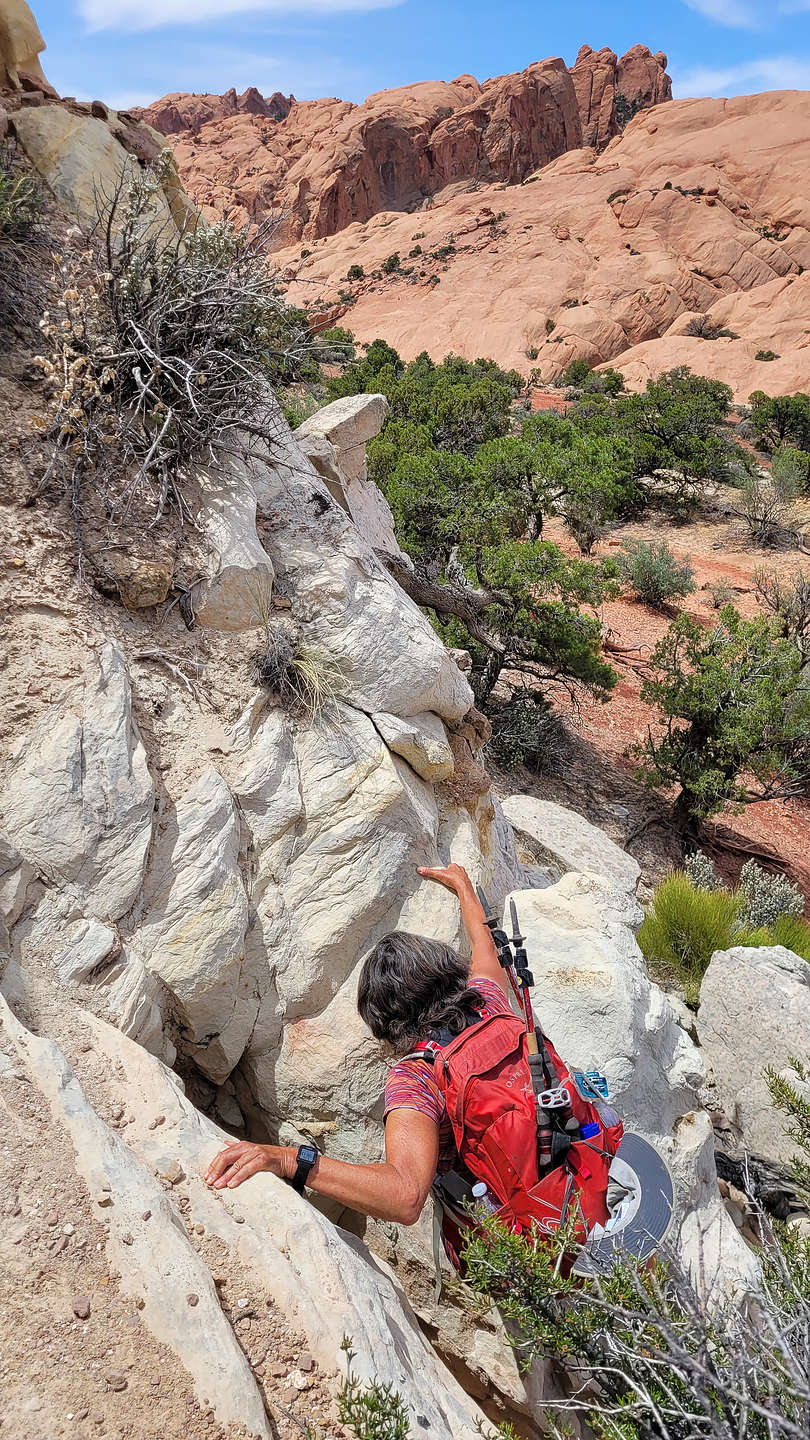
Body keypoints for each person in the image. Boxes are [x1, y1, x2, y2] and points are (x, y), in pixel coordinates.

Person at [204, 862, 510, 1223]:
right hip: (585, 1177)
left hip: (526, 1243)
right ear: (448, 972)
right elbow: (484, 948)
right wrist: (464, 887)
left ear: (382, 1020)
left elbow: (405, 1197)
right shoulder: (489, 1002)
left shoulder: (418, 1077)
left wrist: (289, 1160)